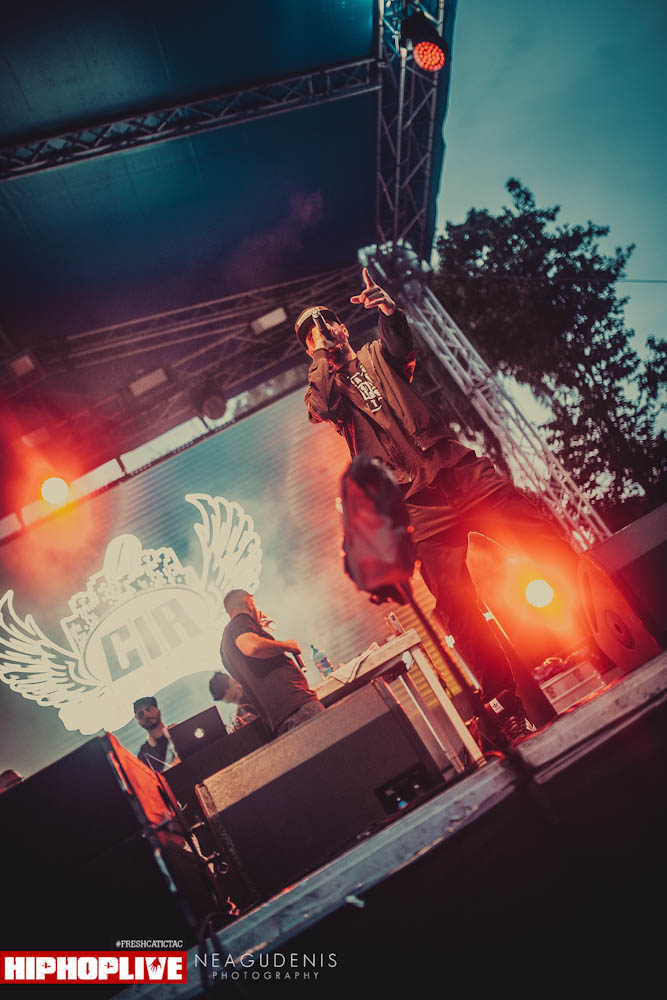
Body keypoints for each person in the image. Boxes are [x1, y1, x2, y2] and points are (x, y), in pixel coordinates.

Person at [295, 267, 582, 746]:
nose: (322, 332)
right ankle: (506, 707)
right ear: (310, 351)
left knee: (538, 533)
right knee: (458, 608)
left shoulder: (376, 355)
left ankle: (606, 609)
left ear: (343, 325)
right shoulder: (322, 389)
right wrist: (322, 354)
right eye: (311, 334)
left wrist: (389, 310)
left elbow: (401, 343)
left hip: (455, 469)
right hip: (416, 504)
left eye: (327, 323)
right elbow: (323, 405)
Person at [220, 590, 324, 736]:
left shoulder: (225, 647)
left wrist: (258, 628)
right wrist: (287, 646)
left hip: (279, 720)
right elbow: (251, 647)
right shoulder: (240, 620)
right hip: (297, 707)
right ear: (250, 603)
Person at [133, 695, 180, 773]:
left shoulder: (179, 729)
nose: (146, 714)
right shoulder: (143, 755)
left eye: (148, 709)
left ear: (159, 711)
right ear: (139, 722)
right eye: (141, 714)